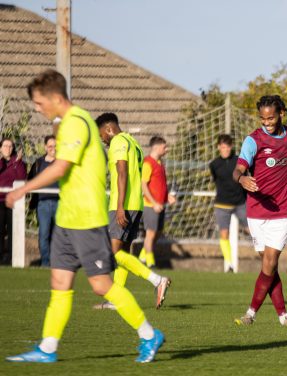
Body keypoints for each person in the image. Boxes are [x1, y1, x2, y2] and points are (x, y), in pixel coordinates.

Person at [6, 69, 164, 363]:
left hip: (87, 219)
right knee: (60, 283)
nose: (37, 109)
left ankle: (148, 334)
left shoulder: (78, 122)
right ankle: (47, 349)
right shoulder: (69, 123)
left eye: (40, 103)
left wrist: (22, 189)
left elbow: (61, 167)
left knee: (101, 285)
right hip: (67, 220)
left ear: (55, 98)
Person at [232, 95, 287, 326]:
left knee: (270, 262)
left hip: (281, 212)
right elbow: (238, 169)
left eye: (271, 118)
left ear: (282, 113)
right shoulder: (253, 140)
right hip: (255, 212)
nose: (267, 122)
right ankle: (283, 317)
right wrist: (242, 179)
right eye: (263, 119)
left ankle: (250, 314)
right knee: (269, 267)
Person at [95, 113, 171, 310]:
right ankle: (116, 300)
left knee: (114, 254)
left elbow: (122, 173)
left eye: (101, 134)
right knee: (123, 253)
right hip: (136, 203)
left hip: (124, 203)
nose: (102, 139)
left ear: (109, 129)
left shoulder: (118, 142)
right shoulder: (133, 141)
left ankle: (156, 280)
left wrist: (119, 206)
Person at [209, 134, 247, 272]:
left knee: (252, 230)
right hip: (222, 205)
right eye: (222, 147)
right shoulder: (214, 164)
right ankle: (229, 264)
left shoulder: (239, 161)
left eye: (227, 147)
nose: (225, 149)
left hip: (240, 203)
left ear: (231, 147)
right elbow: (215, 180)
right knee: (224, 234)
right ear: (219, 147)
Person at [138, 136, 176, 268]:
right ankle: (150, 263)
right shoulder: (148, 163)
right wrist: (154, 203)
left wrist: (167, 197)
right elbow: (143, 185)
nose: (167, 149)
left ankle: (143, 256)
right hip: (150, 205)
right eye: (164, 147)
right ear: (156, 147)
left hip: (160, 205)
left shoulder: (160, 163)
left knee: (158, 233)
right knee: (150, 234)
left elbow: (159, 185)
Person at [28, 135, 59, 267]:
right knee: (44, 235)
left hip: (60, 204)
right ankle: (46, 263)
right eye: (50, 146)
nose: (53, 149)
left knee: (59, 236)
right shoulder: (38, 163)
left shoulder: (62, 163)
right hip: (43, 204)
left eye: (55, 146)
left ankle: (57, 263)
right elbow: (30, 180)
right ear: (46, 147)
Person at [0, 137, 26, 265]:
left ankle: (11, 258)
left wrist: (17, 163)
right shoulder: (0, 162)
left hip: (13, 202)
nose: (8, 149)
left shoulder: (18, 162)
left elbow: (21, 178)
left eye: (10, 146)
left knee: (12, 231)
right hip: (0, 201)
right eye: (5, 146)